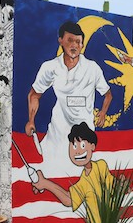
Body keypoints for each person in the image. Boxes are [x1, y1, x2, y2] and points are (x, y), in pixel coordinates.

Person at [25, 21, 112, 178]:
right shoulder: (50, 67)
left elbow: (107, 94)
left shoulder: (92, 68)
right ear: (61, 41)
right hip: (58, 131)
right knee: (53, 171)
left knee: (82, 175)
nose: (74, 45)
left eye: (78, 42)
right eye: (70, 40)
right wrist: (31, 120)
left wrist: (103, 113)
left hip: (84, 132)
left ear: (82, 44)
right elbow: (34, 94)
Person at [32, 122, 114, 223]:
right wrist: (45, 183)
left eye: (82, 145)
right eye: (74, 146)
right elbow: (68, 199)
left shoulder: (101, 166)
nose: (78, 151)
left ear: (92, 146)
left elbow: (113, 185)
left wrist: (122, 184)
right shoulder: (84, 180)